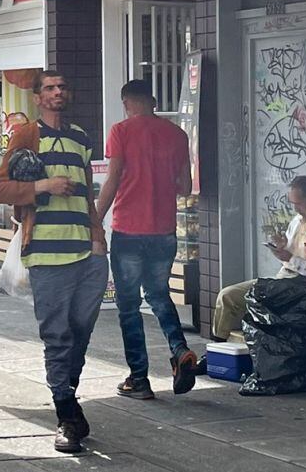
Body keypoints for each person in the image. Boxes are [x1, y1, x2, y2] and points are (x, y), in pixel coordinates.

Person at [0, 70, 108, 454]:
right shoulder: (27, 136)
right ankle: (66, 415)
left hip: (87, 254)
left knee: (81, 332)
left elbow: (88, 194)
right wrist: (43, 186)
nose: (58, 92)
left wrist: (98, 238)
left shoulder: (81, 138)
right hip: (45, 251)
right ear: (37, 98)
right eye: (50, 88)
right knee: (57, 336)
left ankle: (67, 397)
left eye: (63, 86)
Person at [95, 79, 197, 399]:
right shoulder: (177, 135)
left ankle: (139, 378)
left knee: (128, 306)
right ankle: (180, 350)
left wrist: (93, 221)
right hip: (164, 231)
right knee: (158, 294)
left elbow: (111, 182)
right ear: (152, 100)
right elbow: (185, 186)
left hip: (129, 230)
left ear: (126, 103)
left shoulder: (121, 131)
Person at [210, 176, 306, 346]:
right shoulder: (298, 221)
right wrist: (282, 246)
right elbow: (292, 253)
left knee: (245, 300)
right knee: (227, 296)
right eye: (292, 204)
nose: (295, 209)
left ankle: (240, 350)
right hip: (283, 279)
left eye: (298, 204)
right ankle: (217, 348)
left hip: (304, 287)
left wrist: (291, 258)